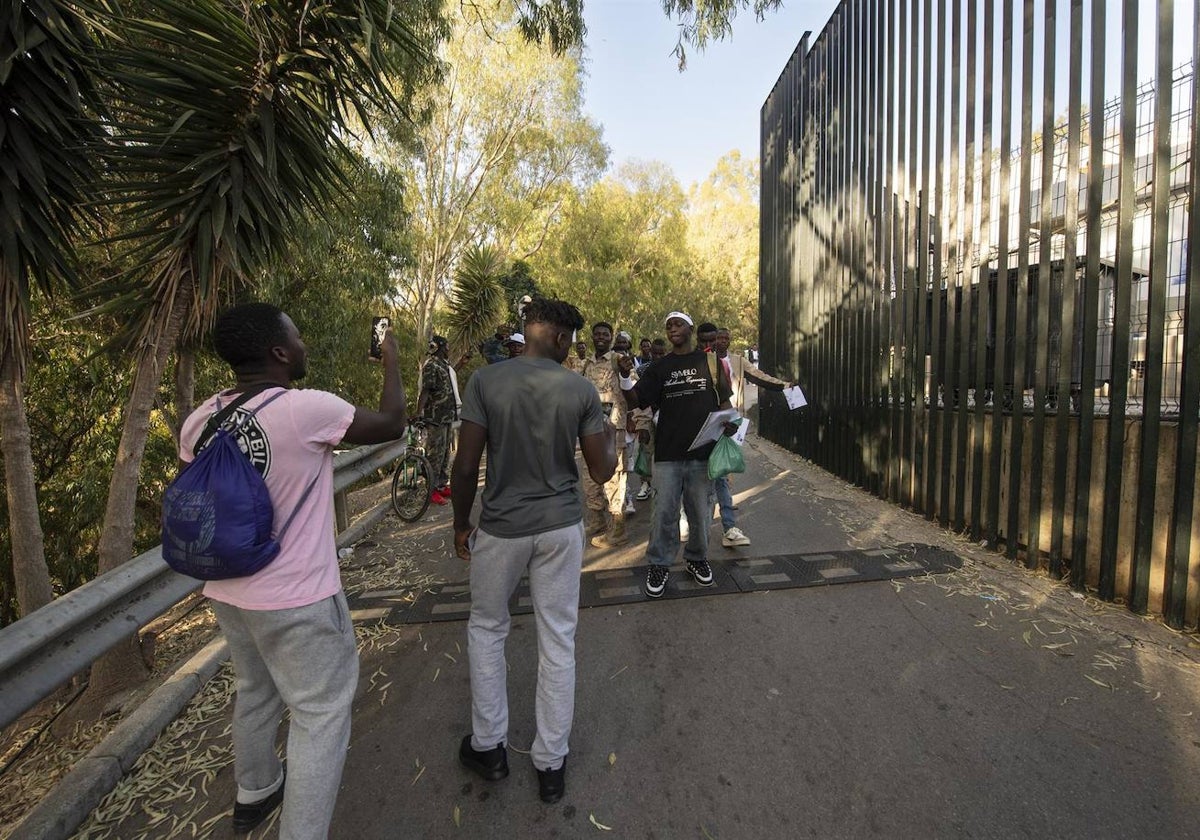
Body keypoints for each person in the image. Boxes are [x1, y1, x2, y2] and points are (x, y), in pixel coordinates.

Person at [178, 302, 406, 839]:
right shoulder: (307, 409)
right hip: (297, 596)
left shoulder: (200, 418)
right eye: (298, 336)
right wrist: (391, 356)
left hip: (229, 590)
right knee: (320, 713)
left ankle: (254, 792)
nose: (304, 345)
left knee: (256, 688)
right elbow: (394, 423)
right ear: (279, 352)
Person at [451, 297, 617, 805]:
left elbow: (465, 466)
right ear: (565, 339)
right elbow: (604, 471)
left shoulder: (485, 381)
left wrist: (462, 523)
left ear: (527, 332)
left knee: (486, 627)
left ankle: (490, 747)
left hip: (501, 528)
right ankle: (550, 763)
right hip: (562, 528)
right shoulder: (581, 389)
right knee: (558, 639)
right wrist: (609, 431)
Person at [617, 311, 735, 598]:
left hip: (702, 453)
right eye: (668, 325)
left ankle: (696, 559)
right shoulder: (660, 367)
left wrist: (729, 422)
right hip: (668, 454)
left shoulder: (711, 362)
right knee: (663, 514)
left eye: (678, 323)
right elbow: (638, 400)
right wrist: (623, 377)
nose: (672, 328)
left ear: (690, 328)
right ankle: (659, 564)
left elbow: (725, 401)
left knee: (701, 513)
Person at [708, 328, 793, 548]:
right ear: (713, 341)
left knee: (724, 473)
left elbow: (760, 377)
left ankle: (725, 525)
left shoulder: (739, 361)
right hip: (711, 422)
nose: (722, 341)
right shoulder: (704, 361)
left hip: (735, 423)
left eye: (726, 338)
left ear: (730, 341)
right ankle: (713, 522)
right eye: (718, 338)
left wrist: (783, 385)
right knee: (714, 474)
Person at [578, 321, 629, 547]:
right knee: (590, 477)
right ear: (592, 337)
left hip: (612, 429)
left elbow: (630, 388)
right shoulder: (586, 364)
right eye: (597, 334)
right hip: (588, 429)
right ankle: (596, 520)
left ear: (611, 338)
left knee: (614, 476)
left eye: (605, 334)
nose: (600, 337)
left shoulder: (619, 361)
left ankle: (617, 530)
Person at [416, 335, 457, 504]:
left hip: (446, 416)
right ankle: (431, 490)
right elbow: (426, 391)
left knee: (445, 454)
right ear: (439, 347)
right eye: (446, 346)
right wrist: (419, 413)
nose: (448, 349)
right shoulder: (431, 365)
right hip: (435, 418)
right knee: (435, 455)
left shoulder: (443, 365)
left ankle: (441, 485)